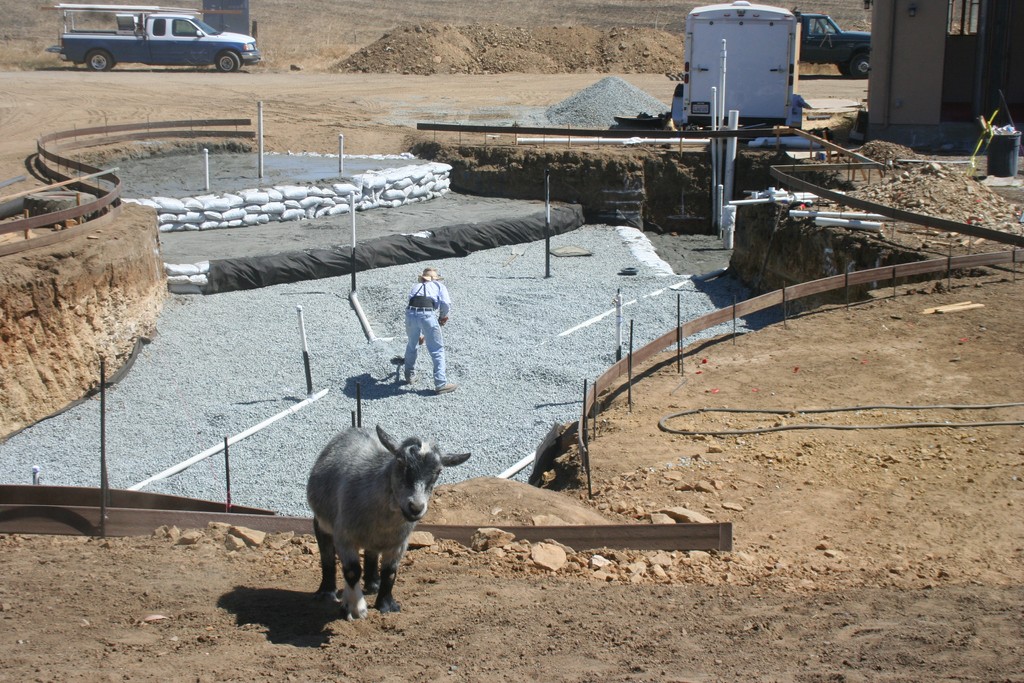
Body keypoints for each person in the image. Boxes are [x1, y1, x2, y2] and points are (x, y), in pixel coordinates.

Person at [403, 267, 457, 395]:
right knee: (437, 349)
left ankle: (409, 375)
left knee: (412, 344)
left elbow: (416, 305)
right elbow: (445, 304)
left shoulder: (416, 287)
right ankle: (440, 383)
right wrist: (443, 317)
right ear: (436, 279)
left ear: (423, 278)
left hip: (410, 314)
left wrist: (421, 334)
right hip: (427, 315)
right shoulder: (439, 286)